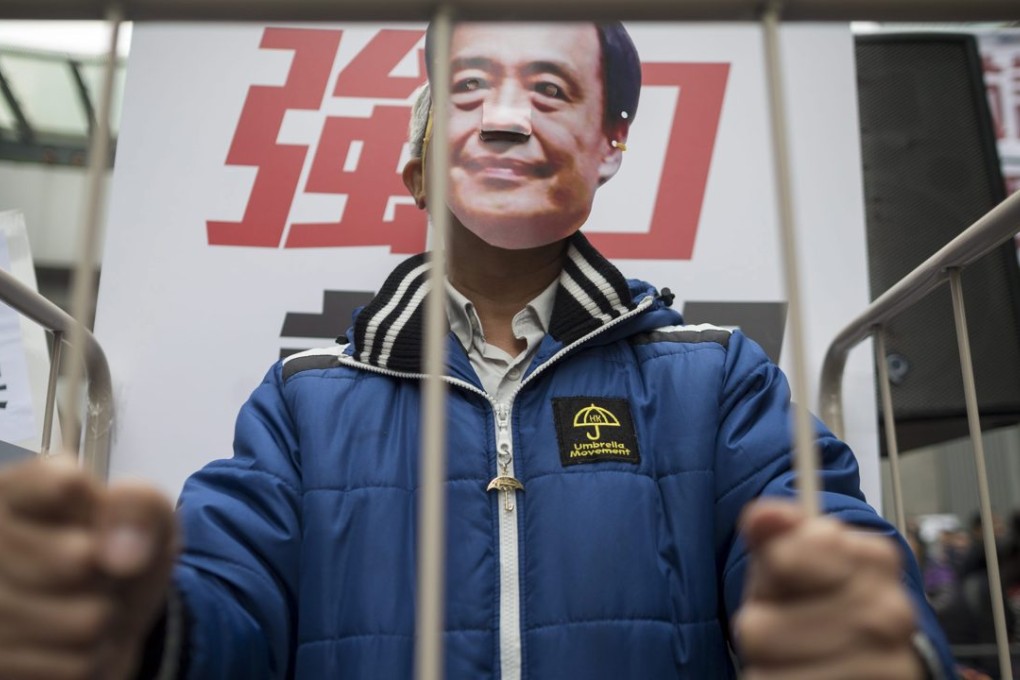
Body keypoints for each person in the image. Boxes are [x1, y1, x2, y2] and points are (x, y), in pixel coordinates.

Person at [0, 21, 955, 679]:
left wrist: (872, 642)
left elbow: (835, 549)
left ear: (611, 142)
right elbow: (225, 596)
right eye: (467, 89)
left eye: (550, 91)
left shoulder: (718, 380)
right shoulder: (304, 400)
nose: (503, 120)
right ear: (426, 140)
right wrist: (136, 628)